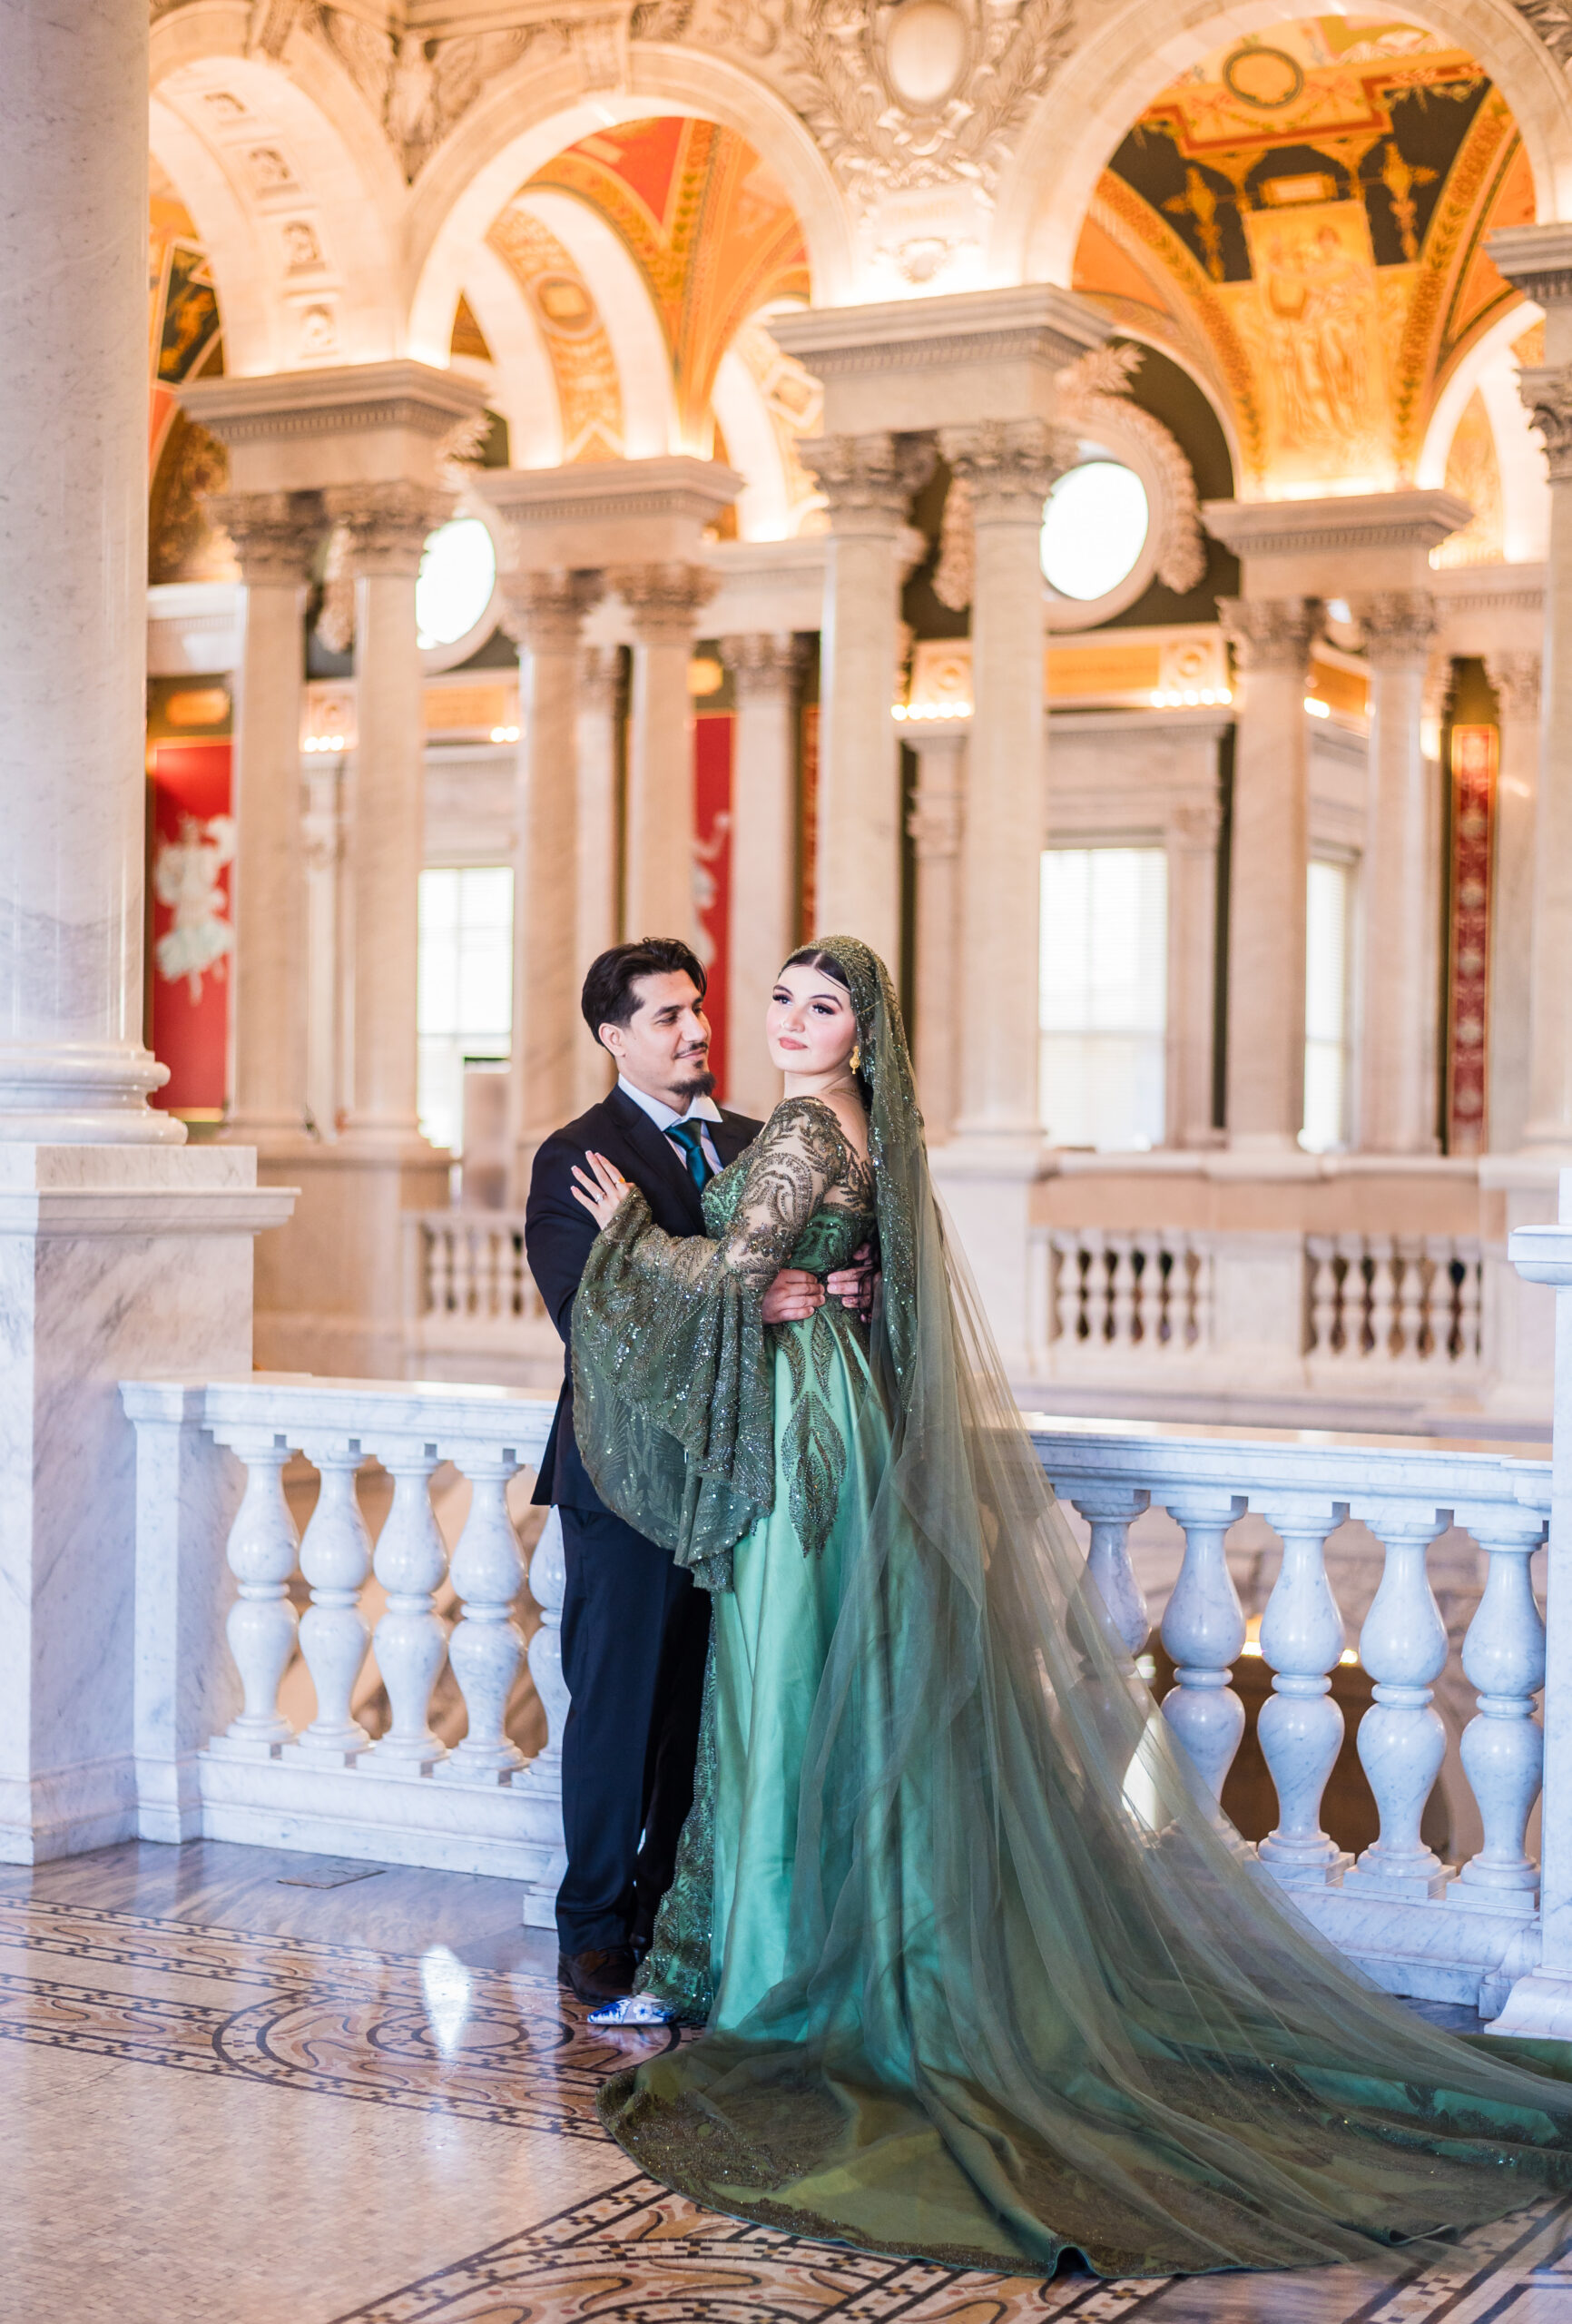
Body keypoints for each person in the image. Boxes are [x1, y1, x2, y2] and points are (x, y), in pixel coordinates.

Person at [564, 934, 1572, 2280]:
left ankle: (788, 1976)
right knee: (830, 1705)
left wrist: (633, 1240)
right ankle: (810, 1948)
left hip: (804, 1447)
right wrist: (827, 1280)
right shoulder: (864, 1126)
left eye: (820, 1006)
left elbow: (735, 1273)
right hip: (843, 1424)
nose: (788, 1022)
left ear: (862, 1031)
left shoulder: (806, 1122)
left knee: (785, 1699)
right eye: (781, 1001)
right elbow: (831, 1267)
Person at [524, 937, 870, 2008]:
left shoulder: (762, 1135)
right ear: (613, 1037)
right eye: (668, 1017)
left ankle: (675, 1909)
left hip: (746, 1473)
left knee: (704, 1714)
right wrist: (741, 1298)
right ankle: (590, 1926)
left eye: (698, 1008)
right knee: (619, 1704)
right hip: (627, 1481)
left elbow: (814, 1237)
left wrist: (844, 1276)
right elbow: (591, 1320)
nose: (697, 1030)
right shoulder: (578, 1156)